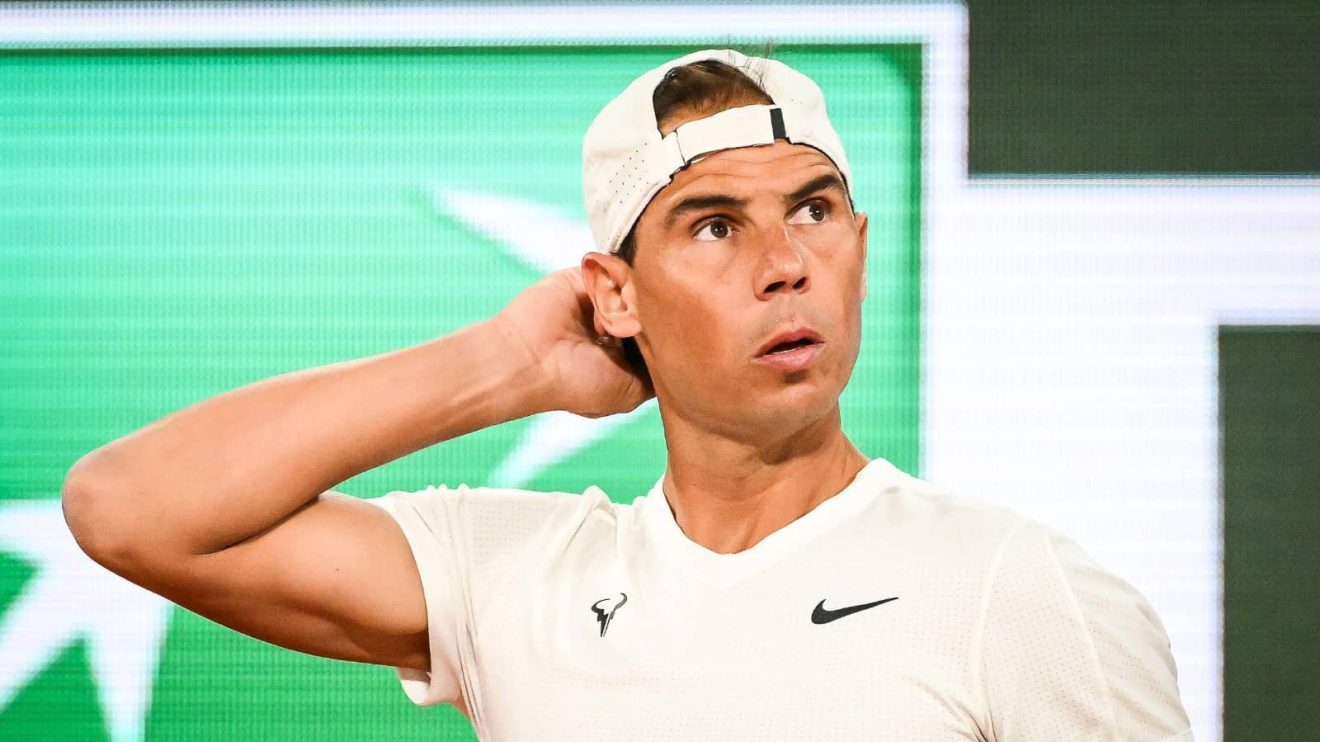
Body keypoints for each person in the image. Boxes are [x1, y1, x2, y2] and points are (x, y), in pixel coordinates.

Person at [61, 48, 1192, 740]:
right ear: (615, 294)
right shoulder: (515, 575)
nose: (786, 260)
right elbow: (129, 508)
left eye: (813, 210)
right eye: (714, 225)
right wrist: (506, 367)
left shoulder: (1013, 586)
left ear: (858, 245)